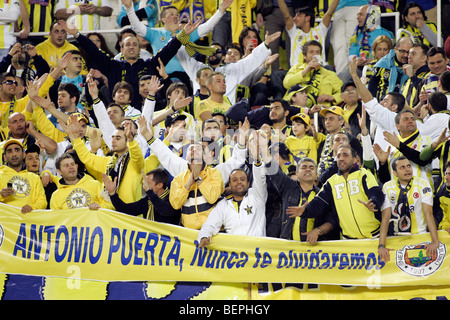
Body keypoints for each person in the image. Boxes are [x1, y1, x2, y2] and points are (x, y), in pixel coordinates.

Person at [60, 17, 201, 108]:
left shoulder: (150, 65)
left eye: (135, 44)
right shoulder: (112, 66)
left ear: (140, 49)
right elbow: (93, 51)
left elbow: (169, 50)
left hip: (148, 113)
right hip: (118, 114)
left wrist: (182, 35)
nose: (132, 47)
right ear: (121, 48)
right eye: (128, 45)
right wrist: (77, 34)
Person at [287, 144, 385, 240]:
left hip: (374, 236)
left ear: (354, 159)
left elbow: (376, 193)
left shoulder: (364, 174)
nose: (341, 158)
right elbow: (318, 203)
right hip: (348, 241)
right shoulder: (331, 182)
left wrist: (374, 203)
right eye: (338, 156)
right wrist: (305, 211)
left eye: (345, 155)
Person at [197, 141, 267, 246]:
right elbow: (209, 225)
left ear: (248, 183)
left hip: (258, 254)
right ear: (229, 184)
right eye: (234, 180)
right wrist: (204, 236)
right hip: (235, 257)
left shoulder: (257, 196)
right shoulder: (223, 205)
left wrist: (257, 161)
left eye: (242, 179)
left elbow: (260, 179)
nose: (239, 182)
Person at [65, 114, 144, 204]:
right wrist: (76, 138)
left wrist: (131, 140)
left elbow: (137, 156)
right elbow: (86, 157)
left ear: (127, 142)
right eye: (113, 138)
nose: (113, 141)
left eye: (118, 138)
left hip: (130, 215)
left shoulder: (135, 162)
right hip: (110, 212)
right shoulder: (108, 161)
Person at [378, 156, 439, 262]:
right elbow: (385, 217)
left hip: (420, 235)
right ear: (395, 173)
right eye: (402, 167)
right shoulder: (387, 187)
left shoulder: (423, 184)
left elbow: (428, 214)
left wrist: (435, 242)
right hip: (396, 237)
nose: (407, 169)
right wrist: (381, 246)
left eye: (408, 166)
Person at [103, 168, 181, 225]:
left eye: (148, 183)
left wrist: (149, 191)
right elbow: (125, 209)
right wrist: (112, 193)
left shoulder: (173, 199)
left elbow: (164, 210)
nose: (144, 186)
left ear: (160, 185)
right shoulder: (148, 200)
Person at [278, 0, 340, 67]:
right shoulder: (294, 32)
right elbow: (286, 16)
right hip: (298, 73)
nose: (294, 19)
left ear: (307, 18)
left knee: (329, 68)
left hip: (317, 71)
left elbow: (329, 13)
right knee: (276, 75)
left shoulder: (320, 31)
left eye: (298, 16)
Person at [283, 40, 343, 109]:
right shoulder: (296, 68)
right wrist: (305, 71)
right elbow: (286, 84)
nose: (315, 55)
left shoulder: (329, 74)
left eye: (317, 52)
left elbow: (344, 93)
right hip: (294, 109)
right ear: (304, 56)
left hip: (319, 112)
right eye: (311, 52)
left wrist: (332, 97)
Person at [50, 153, 114, 210]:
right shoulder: (56, 196)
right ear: (59, 171)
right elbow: (56, 219)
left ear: (76, 166)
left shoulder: (95, 184)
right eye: (66, 166)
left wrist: (100, 207)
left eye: (72, 164)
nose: (71, 167)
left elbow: (110, 204)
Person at [0, 139, 47, 213]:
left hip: (27, 221)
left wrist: (32, 207)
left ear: (24, 155)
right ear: (5, 157)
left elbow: (42, 200)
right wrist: (1, 194)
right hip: (5, 222)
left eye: (17, 150)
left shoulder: (35, 178)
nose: (14, 154)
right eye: (9, 151)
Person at [368, 36, 413, 102]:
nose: (406, 55)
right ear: (395, 49)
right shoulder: (382, 64)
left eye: (408, 52)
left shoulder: (414, 66)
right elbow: (371, 89)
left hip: (405, 106)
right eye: (402, 51)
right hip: (382, 106)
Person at [400, 43, 430, 108]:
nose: (409, 57)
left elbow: (425, 95)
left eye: (413, 54)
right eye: (409, 54)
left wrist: (413, 77)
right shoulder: (408, 79)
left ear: (424, 58)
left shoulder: (429, 76)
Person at [435, 162, 450, 233]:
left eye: (449, 174)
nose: (446, 177)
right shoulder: (441, 192)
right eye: (446, 173)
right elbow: (441, 216)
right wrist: (446, 227)